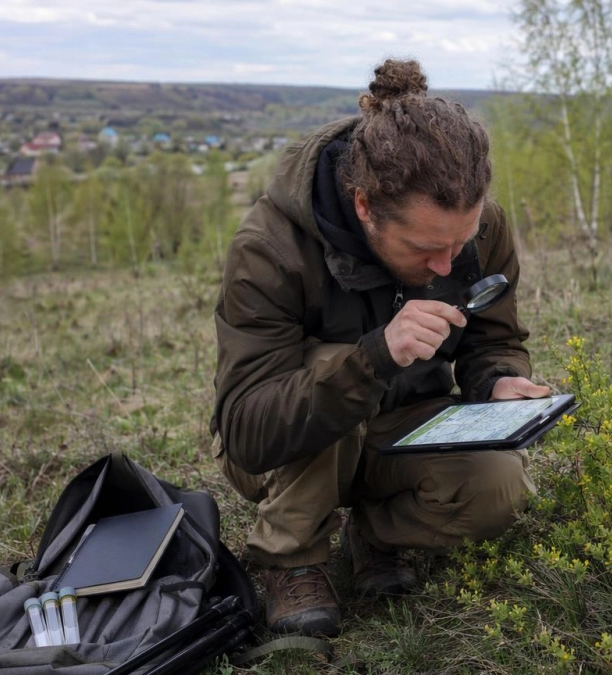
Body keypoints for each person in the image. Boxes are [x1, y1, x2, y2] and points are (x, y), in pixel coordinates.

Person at [209, 58, 550, 639]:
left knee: (499, 485)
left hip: (403, 430)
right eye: (424, 248)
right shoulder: (270, 248)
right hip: (286, 452)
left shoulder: (477, 228)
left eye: (460, 243)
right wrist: (373, 358)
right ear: (365, 206)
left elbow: (494, 339)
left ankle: (372, 533)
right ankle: (291, 558)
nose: (446, 265)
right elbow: (247, 431)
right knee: (332, 364)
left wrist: (497, 381)